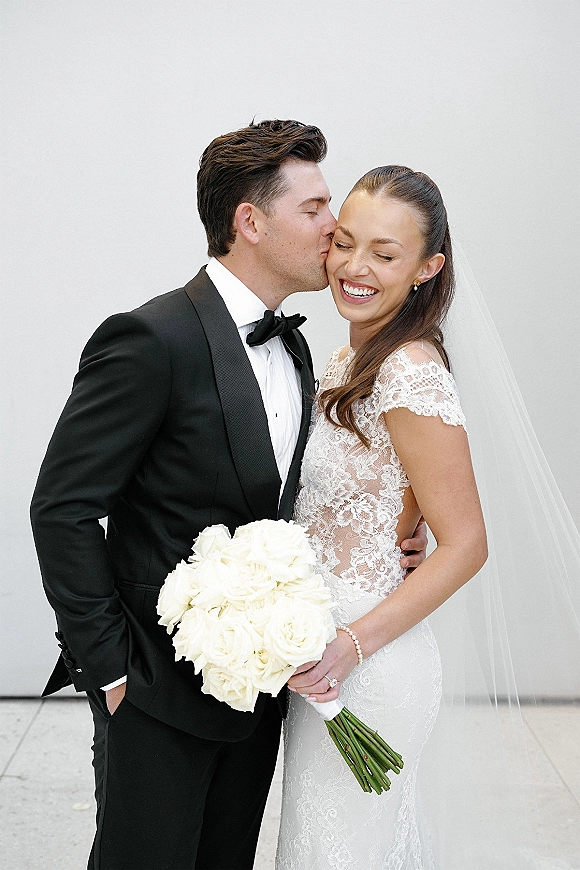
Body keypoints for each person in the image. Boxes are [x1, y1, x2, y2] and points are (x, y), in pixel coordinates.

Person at [30, 122, 430, 870]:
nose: (334, 225)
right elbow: (63, 507)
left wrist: (395, 532)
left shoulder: (301, 345)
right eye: (314, 209)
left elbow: (288, 494)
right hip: (152, 690)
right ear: (250, 221)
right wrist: (112, 673)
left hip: (257, 693)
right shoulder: (151, 338)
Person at [277, 165, 489, 868]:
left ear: (428, 268)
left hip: (368, 665)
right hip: (325, 659)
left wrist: (351, 644)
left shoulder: (408, 371)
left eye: (386, 254)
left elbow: (467, 545)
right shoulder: (347, 362)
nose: (354, 267)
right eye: (345, 241)